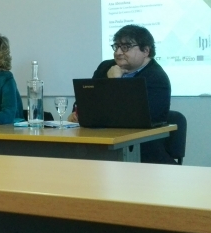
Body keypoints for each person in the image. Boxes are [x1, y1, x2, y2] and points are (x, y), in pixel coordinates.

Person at [68, 24, 175, 164]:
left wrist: (114, 82)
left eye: (125, 47)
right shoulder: (105, 67)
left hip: (142, 154)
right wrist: (78, 113)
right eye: (116, 46)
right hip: (101, 146)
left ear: (146, 51)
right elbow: (86, 101)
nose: (118, 52)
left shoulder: (156, 78)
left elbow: (132, 119)